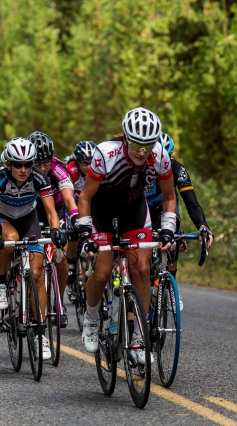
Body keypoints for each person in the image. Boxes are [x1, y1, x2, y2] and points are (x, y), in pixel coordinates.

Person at [76, 107, 176, 365]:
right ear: (125, 138)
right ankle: (91, 318)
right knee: (102, 273)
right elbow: (84, 197)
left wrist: (168, 228)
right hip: (102, 208)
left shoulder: (160, 155)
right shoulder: (105, 153)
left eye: (148, 145)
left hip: (134, 209)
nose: (142, 151)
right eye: (136, 144)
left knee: (142, 268)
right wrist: (85, 233)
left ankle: (140, 338)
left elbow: (169, 197)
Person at [0, 137, 66, 360]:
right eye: (18, 165)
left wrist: (56, 229)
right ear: (9, 164)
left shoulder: (39, 178)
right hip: (4, 219)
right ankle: (0, 283)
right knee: (10, 238)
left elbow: (51, 212)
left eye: (28, 164)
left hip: (28, 220)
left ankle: (40, 333)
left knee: (37, 273)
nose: (23, 170)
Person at [146, 133, 214, 301]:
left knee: (173, 236)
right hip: (143, 209)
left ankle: (170, 285)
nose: (161, 163)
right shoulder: (140, 167)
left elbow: (192, 203)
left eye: (166, 158)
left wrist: (202, 225)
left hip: (165, 210)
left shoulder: (177, 169)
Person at [28, 131, 77, 327]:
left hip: (55, 208)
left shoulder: (58, 169)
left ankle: (59, 302)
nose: (42, 168)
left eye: (46, 163)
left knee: (60, 257)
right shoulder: (23, 169)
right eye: (37, 164)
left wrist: (75, 215)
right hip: (32, 210)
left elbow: (68, 198)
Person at [64, 141, 97, 292]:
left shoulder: (99, 170)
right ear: (77, 162)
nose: (88, 167)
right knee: (74, 233)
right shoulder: (71, 171)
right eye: (85, 163)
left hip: (91, 205)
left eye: (91, 162)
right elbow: (67, 196)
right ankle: (71, 263)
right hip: (74, 206)